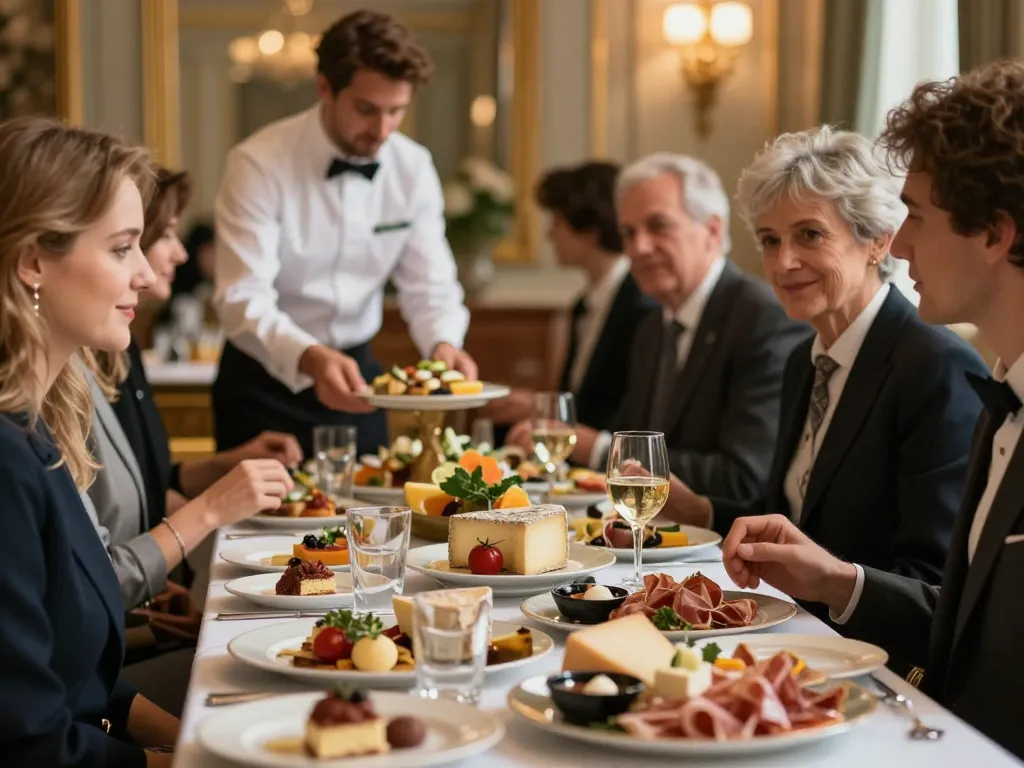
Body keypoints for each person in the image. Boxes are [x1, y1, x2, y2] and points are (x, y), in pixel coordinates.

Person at [720, 62, 1024, 758]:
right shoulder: (815, 358)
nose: (902, 240)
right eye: (769, 240)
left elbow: (949, 615)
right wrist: (827, 578)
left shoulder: (944, 369)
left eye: (914, 216)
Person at [663, 126, 985, 629]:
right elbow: (793, 521)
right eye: (770, 240)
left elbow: (936, 585)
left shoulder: (935, 368)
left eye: (809, 234)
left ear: (878, 240)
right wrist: (702, 509)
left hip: (879, 661)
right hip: (789, 629)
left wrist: (836, 582)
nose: (783, 263)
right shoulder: (805, 360)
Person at [0, 116, 185, 767]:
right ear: (32, 261)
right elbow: (31, 743)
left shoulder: (39, 421)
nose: (146, 274)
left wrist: (183, 739)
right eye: (121, 248)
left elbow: (72, 670)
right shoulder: (4, 458)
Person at [212, 9, 476, 458]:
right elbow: (240, 296)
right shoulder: (258, 162)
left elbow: (430, 285)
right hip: (264, 383)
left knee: (376, 519)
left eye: (396, 111)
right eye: (367, 109)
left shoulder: (412, 168)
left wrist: (444, 341)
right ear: (324, 88)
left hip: (359, 380)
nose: (382, 130)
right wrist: (310, 358)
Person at [509, 153, 808, 504]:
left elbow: (742, 478)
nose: (639, 248)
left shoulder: (763, 321)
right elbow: (635, 433)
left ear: (712, 231)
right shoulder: (653, 327)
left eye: (658, 226)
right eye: (628, 232)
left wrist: (597, 448)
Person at [85, 169, 299, 614]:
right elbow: (91, 584)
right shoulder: (61, 387)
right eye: (159, 237)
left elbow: (148, 482)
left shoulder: (121, 353)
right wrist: (215, 506)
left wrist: (234, 462)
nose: (177, 254)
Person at [484, 161, 656, 434]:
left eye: (557, 222)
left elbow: (629, 417)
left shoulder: (642, 305)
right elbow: (584, 403)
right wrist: (540, 404)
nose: (549, 234)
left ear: (589, 229)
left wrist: (538, 408)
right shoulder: (583, 305)